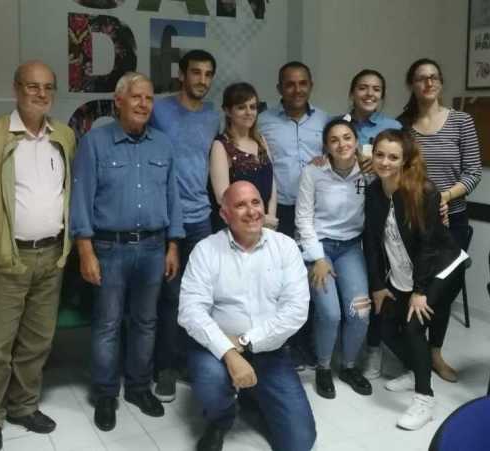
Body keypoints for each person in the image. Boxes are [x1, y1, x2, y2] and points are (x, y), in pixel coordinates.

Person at [0, 61, 76, 451]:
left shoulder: (64, 136)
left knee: (37, 341)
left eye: (47, 87)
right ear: (16, 89)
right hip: (7, 258)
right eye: (32, 86)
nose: (41, 94)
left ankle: (23, 406)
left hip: (52, 256)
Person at [69, 72, 184, 432]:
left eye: (148, 98)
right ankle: (106, 394)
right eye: (136, 97)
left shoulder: (163, 144)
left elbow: (173, 197)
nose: (143, 104)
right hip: (109, 248)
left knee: (146, 322)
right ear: (118, 101)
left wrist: (173, 245)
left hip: (153, 247)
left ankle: (138, 387)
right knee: (107, 324)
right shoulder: (95, 142)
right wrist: (85, 251)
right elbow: (80, 199)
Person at [179, 181, 316, 451]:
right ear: (224, 214)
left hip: (270, 351)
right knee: (210, 381)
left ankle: (252, 395)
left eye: (256, 202)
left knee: (300, 443)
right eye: (240, 205)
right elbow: (190, 311)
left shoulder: (285, 247)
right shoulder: (206, 250)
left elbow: (296, 311)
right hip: (217, 351)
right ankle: (220, 419)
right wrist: (230, 353)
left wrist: (244, 341)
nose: (252, 211)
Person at [364, 129, 469, 431]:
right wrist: (378, 285)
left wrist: (420, 291)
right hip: (405, 269)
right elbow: (371, 241)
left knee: (413, 326)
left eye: (393, 157)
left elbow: (428, 246)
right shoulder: (374, 191)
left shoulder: (423, 191)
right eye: (380, 155)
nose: (384, 162)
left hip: (441, 267)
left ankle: (425, 399)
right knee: (385, 323)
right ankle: (415, 369)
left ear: (405, 160)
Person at [397, 58, 482, 382]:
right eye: (421, 78)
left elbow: (473, 172)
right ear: (412, 85)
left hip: (452, 220)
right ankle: (413, 354)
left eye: (434, 77)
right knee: (413, 287)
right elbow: (398, 171)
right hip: (413, 220)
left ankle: (435, 353)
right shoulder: (403, 125)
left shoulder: (461, 121)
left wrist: (443, 198)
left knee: (442, 291)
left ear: (441, 82)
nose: (428, 83)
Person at [149, 50, 220, 402]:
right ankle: (165, 368)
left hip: (201, 218)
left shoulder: (213, 115)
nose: (202, 80)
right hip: (166, 219)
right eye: (196, 72)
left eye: (207, 74)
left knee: (199, 297)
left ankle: (190, 363)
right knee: (170, 297)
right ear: (182, 74)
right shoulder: (159, 109)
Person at [295, 118, 372, 400]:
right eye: (334, 140)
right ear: (326, 146)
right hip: (319, 247)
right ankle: (324, 366)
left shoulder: (369, 172)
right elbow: (303, 219)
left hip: (351, 248)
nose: (342, 144)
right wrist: (317, 258)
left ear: (356, 141)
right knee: (330, 313)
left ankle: (349, 366)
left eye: (347, 137)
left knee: (360, 312)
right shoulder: (313, 172)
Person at [346, 69, 403, 381]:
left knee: (378, 280)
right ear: (352, 92)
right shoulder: (340, 125)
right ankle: (348, 347)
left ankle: (373, 347)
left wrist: (379, 165)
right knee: (355, 285)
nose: (369, 94)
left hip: (380, 214)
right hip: (345, 216)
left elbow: (406, 166)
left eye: (376, 89)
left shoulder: (392, 127)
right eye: (363, 88)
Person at [258, 61, 329, 239]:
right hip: (279, 207)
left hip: (317, 206)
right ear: (279, 88)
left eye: (303, 83)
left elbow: (334, 157)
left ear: (311, 85)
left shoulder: (325, 120)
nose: (297, 90)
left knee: (313, 254)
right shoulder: (262, 122)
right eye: (290, 84)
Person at [208, 82, 277, 232]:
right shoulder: (221, 145)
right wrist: (262, 218)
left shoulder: (261, 140)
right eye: (241, 107)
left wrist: (270, 217)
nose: (249, 112)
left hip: (266, 225)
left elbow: (272, 184)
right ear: (227, 111)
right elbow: (222, 198)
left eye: (252, 107)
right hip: (236, 228)